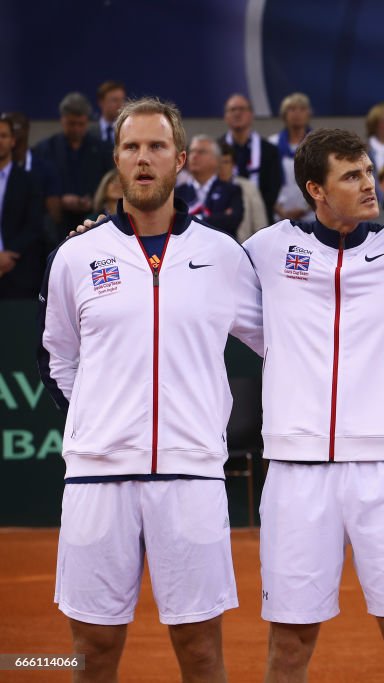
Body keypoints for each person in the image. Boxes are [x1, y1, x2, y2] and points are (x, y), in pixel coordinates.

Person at [38, 97, 263, 682]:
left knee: (200, 651)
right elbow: (57, 355)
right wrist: (94, 422)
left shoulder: (223, 256)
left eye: (157, 146)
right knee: (91, 651)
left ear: (181, 159)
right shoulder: (76, 255)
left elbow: (281, 343)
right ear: (116, 159)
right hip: (97, 474)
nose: (144, 158)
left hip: (190, 473)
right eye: (132, 147)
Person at [242, 128, 384, 683]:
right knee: (289, 642)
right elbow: (197, 280)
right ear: (316, 189)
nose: (367, 184)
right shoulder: (265, 250)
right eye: (351, 176)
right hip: (297, 472)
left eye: (368, 172)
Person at [32, 92, 114, 233]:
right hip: (55, 223)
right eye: (71, 124)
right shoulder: (45, 149)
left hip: (94, 220)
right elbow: (35, 188)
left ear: (87, 121)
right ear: (62, 120)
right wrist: (60, 199)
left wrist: (94, 200)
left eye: (81, 124)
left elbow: (110, 182)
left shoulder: (103, 149)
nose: (76, 129)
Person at [0, 115, 44, 299]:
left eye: (3, 135)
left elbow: (34, 225)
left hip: (18, 272)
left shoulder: (28, 181)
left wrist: (6, 255)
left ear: (12, 141)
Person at [223, 93, 283, 220]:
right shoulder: (216, 149)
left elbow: (274, 188)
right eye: (232, 110)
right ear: (226, 116)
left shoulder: (269, 150)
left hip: (261, 217)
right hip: (225, 217)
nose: (237, 114)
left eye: (242, 109)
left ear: (251, 115)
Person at [176, 135, 244, 238]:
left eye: (201, 152)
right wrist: (216, 217)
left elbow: (232, 220)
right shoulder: (177, 193)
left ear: (216, 160)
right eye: (192, 151)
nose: (194, 156)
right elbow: (173, 223)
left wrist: (191, 219)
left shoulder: (231, 190)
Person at [270, 92, 315, 222]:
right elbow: (266, 183)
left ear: (308, 114)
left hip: (312, 215)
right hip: (280, 215)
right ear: (284, 115)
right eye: (292, 109)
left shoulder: (318, 144)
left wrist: (307, 208)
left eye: (302, 109)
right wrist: (279, 210)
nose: (297, 114)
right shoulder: (272, 144)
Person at [88, 80, 126, 145]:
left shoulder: (128, 129)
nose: (120, 104)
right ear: (101, 102)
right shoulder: (88, 131)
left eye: (122, 100)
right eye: (115, 100)